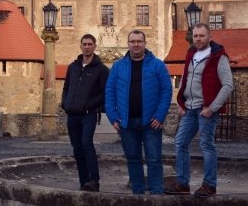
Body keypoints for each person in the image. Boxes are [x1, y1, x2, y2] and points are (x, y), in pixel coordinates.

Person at [166, 23, 234, 198]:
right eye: (195, 36)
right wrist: (180, 102)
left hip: (206, 110)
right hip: (189, 108)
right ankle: (182, 184)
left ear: (209, 37)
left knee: (206, 145)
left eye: (202, 36)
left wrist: (212, 108)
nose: (198, 39)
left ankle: (210, 186)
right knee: (180, 142)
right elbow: (184, 79)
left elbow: (228, 85)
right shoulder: (191, 54)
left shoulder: (219, 57)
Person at [104, 30, 172, 195]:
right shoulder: (118, 66)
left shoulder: (157, 65)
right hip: (126, 122)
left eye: (139, 41)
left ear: (144, 43)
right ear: (128, 44)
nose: (136, 44)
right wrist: (112, 117)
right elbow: (109, 92)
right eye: (132, 41)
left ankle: (157, 194)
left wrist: (160, 115)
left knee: (154, 160)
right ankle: (138, 194)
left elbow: (166, 91)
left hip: (151, 122)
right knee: (133, 160)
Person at [61, 33, 109, 192]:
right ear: (81, 46)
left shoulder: (101, 69)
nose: (87, 46)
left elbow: (104, 93)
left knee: (86, 143)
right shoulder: (72, 67)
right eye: (85, 44)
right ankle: (84, 182)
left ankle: (94, 180)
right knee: (77, 149)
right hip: (72, 114)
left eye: (90, 44)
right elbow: (66, 88)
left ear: (95, 46)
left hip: (88, 114)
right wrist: (65, 104)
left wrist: (89, 105)